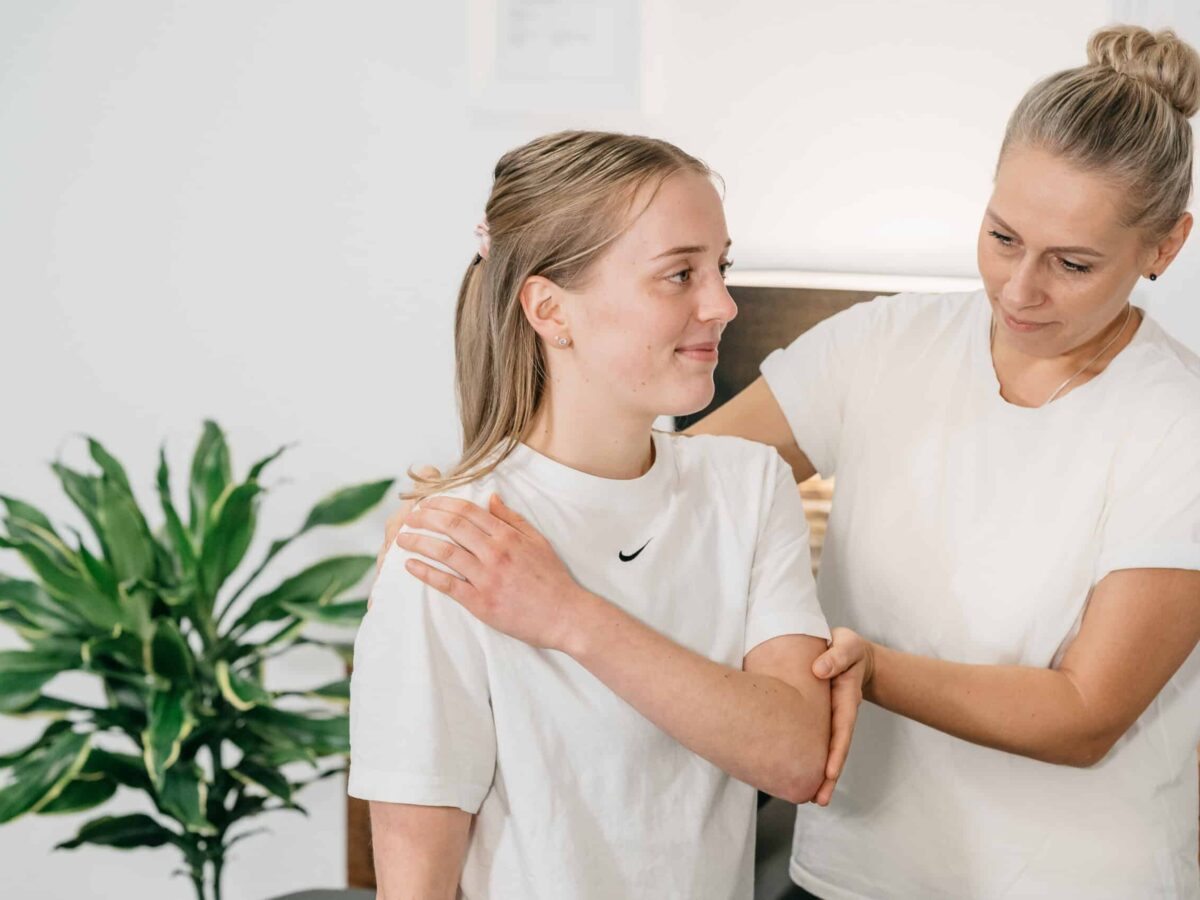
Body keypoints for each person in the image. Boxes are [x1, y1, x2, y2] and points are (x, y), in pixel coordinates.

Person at [387, 24, 1200, 899]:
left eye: (1072, 264)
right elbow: (668, 483)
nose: (1020, 288)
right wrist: (476, 514)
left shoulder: (1175, 425)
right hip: (852, 873)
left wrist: (865, 665)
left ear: (1165, 246)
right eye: (1003, 237)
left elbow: (1086, 714)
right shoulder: (886, 345)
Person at [348, 130, 832, 900]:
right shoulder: (451, 544)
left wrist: (569, 616)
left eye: (722, 267)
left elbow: (798, 757)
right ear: (550, 309)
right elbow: (414, 882)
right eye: (680, 274)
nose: (723, 304)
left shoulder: (749, 486)